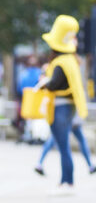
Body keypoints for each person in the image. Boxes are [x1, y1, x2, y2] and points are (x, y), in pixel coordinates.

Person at [37, 15, 90, 193]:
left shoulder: (61, 63)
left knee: (63, 146)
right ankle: (65, 180)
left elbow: (54, 85)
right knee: (64, 144)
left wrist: (44, 81)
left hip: (60, 107)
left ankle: (67, 181)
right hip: (68, 107)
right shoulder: (71, 60)